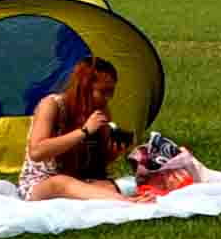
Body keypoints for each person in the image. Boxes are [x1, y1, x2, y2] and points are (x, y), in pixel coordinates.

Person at [17, 57, 139, 206]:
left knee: (112, 187)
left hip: (78, 179)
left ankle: (122, 198)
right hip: (42, 183)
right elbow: (36, 152)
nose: (108, 98)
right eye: (103, 92)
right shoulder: (52, 105)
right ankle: (127, 203)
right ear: (84, 88)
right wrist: (83, 132)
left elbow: (92, 164)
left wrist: (112, 153)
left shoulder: (100, 112)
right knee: (61, 183)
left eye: (111, 92)